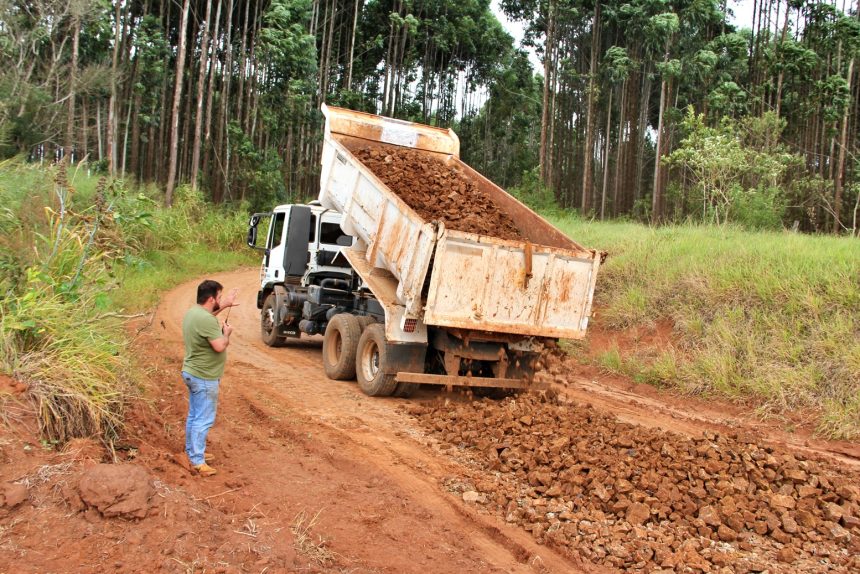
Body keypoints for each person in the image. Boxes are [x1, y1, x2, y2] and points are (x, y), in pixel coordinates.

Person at [181, 279, 238, 476]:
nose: (221, 300)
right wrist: (226, 334)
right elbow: (219, 346)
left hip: (192, 372)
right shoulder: (206, 320)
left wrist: (225, 305)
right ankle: (197, 460)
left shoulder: (194, 313)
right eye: (220, 297)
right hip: (204, 377)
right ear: (212, 299)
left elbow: (208, 317)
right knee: (203, 419)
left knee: (194, 416)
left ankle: (192, 452)